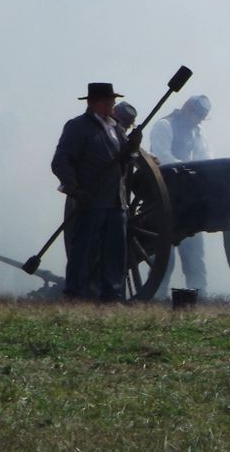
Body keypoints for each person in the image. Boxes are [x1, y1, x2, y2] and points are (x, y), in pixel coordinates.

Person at [51, 83, 137, 301]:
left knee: (114, 253)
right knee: (83, 251)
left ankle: (112, 296)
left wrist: (132, 148)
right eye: (110, 101)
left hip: (117, 201)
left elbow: (124, 163)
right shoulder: (78, 127)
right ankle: (75, 294)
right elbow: (60, 162)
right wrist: (76, 190)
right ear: (97, 102)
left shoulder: (116, 128)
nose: (113, 105)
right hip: (91, 199)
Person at [150, 94, 212, 297]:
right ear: (186, 109)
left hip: (190, 199)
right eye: (196, 115)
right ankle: (158, 295)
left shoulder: (198, 132)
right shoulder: (164, 125)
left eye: (201, 117)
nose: (198, 120)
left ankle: (200, 295)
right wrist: (189, 170)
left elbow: (205, 159)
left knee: (195, 253)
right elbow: (162, 157)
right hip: (165, 195)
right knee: (164, 257)